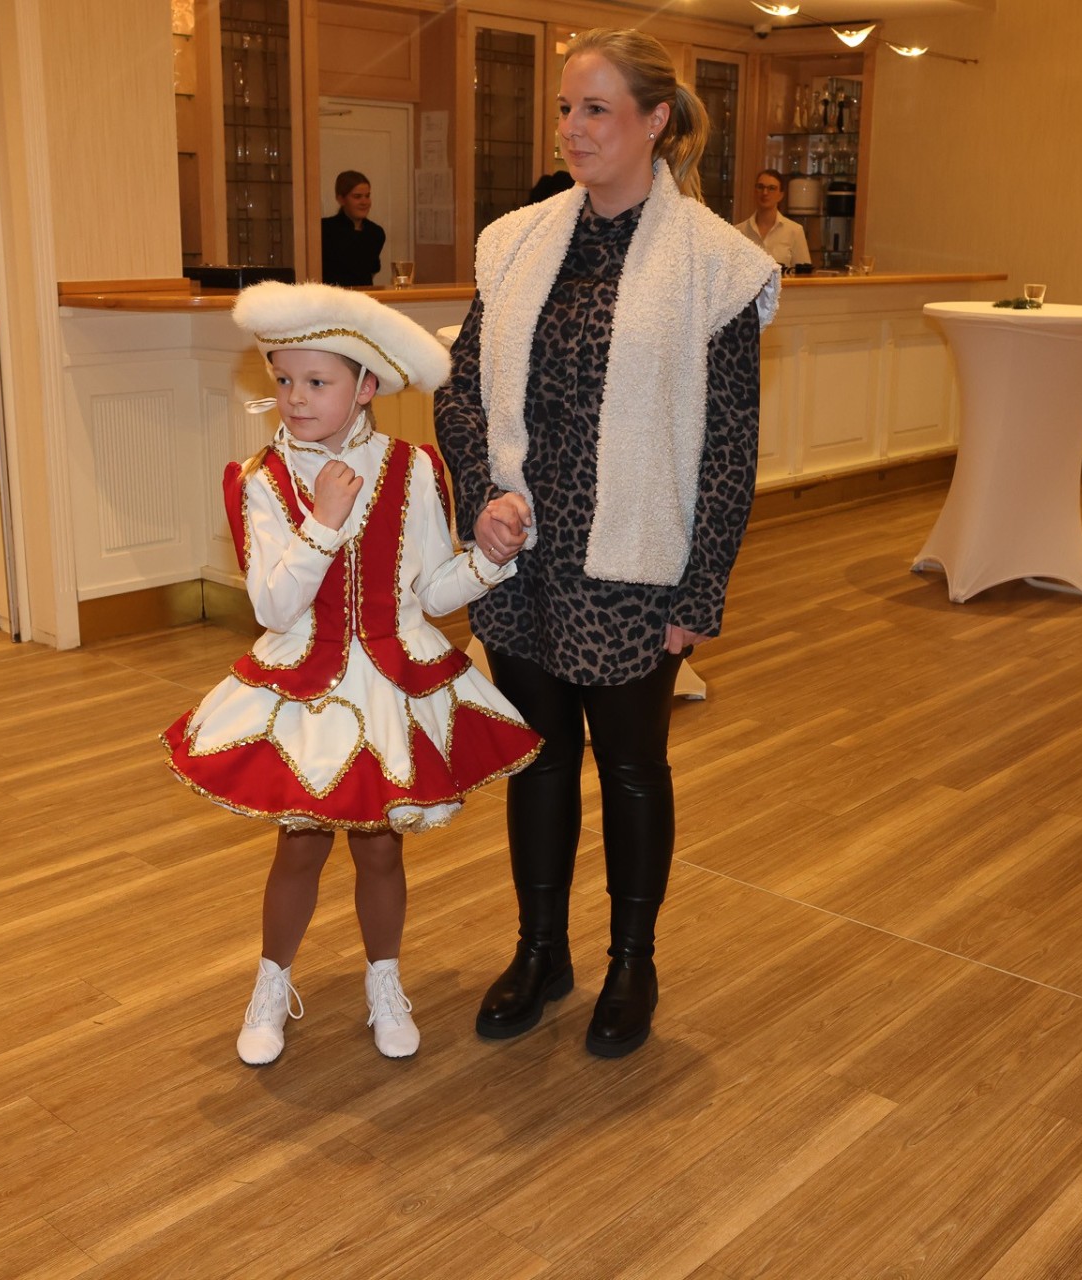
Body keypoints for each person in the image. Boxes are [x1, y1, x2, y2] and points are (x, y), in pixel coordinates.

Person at [434, 28, 778, 1059]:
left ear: (655, 121)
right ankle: (541, 951)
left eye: (595, 109)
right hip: (527, 557)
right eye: (564, 109)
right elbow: (461, 391)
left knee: (631, 768)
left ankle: (634, 964)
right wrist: (482, 498)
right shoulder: (517, 242)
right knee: (537, 764)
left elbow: (730, 444)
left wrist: (699, 592)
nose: (572, 129)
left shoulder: (714, 264)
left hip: (636, 568)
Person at [163, 281, 541, 1067]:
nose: (296, 398)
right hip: (307, 684)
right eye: (283, 379)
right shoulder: (262, 479)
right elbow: (273, 605)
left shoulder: (414, 468)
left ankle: (385, 983)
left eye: (317, 381)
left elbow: (430, 592)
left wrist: (488, 561)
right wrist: (322, 524)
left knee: (380, 849)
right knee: (299, 844)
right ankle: (271, 984)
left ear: (366, 387)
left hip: (391, 682)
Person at [734, 169, 811, 270]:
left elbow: (803, 275)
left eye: (772, 188)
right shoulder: (738, 232)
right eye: (760, 187)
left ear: (781, 195)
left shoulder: (795, 231)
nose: (765, 193)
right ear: (754, 191)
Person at [320, 170, 386, 287]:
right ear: (341, 199)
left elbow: (370, 272)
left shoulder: (375, 233)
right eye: (357, 197)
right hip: (331, 296)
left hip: (363, 296)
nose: (364, 202)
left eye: (367, 196)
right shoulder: (324, 229)